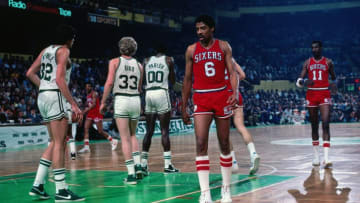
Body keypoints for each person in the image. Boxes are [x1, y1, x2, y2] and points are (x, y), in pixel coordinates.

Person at [181, 15, 238, 203]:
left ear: (212, 28)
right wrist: (183, 105)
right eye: (197, 29)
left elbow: (232, 72)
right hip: (202, 98)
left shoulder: (223, 46)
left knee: (224, 142)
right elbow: (188, 79)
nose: (199, 32)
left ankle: (226, 189)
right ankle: (205, 192)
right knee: (200, 143)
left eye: (203, 28)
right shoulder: (191, 50)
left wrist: (234, 93)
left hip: (221, 96)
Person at [26, 24, 85, 201]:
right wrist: (74, 104)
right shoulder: (64, 51)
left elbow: (30, 73)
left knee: (53, 142)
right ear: (70, 39)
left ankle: (38, 184)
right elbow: (59, 79)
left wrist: (45, 87)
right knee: (60, 143)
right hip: (55, 96)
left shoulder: (46, 50)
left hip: (42, 96)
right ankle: (61, 190)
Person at [100, 37, 144, 184]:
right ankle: (138, 165)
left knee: (124, 138)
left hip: (122, 100)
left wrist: (103, 101)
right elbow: (139, 88)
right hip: (135, 100)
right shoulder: (139, 66)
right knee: (133, 135)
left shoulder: (114, 62)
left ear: (120, 48)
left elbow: (110, 82)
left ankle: (131, 174)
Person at [296, 41, 336, 168]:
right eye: (312, 47)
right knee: (314, 125)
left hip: (324, 93)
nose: (314, 49)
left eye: (316, 47)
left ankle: (327, 158)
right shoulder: (307, 63)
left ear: (321, 48)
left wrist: (333, 83)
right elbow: (298, 82)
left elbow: (334, 78)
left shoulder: (328, 62)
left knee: (325, 123)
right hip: (311, 95)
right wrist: (304, 82)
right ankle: (316, 157)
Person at [141, 43, 179, 175]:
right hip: (162, 93)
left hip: (149, 93)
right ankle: (167, 165)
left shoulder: (146, 60)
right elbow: (173, 81)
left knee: (149, 131)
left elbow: (142, 81)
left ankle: (143, 164)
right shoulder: (169, 60)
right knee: (164, 131)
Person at [227, 58, 260, 175]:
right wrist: (234, 81)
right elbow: (242, 75)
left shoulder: (217, 57)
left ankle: (233, 163)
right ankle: (253, 153)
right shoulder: (232, 60)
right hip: (236, 95)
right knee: (240, 126)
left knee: (225, 131)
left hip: (224, 95)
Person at [78, 82, 118, 153]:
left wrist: (85, 111)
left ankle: (113, 141)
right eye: (86, 86)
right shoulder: (87, 95)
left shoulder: (94, 93)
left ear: (91, 87)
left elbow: (93, 104)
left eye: (89, 86)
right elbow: (88, 104)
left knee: (100, 131)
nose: (87, 88)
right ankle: (86, 147)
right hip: (90, 114)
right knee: (86, 129)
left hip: (97, 113)